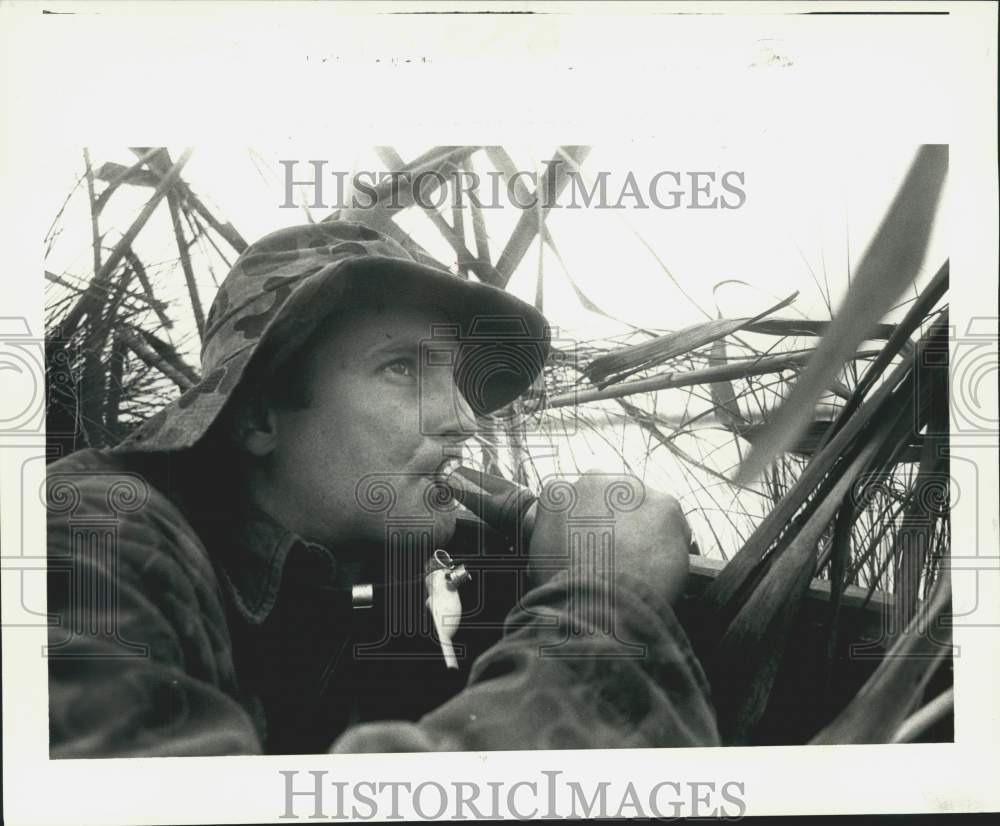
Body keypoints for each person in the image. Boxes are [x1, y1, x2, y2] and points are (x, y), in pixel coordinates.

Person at [46, 221, 719, 756]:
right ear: (256, 416)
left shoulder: (378, 552)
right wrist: (605, 606)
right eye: (401, 369)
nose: (461, 418)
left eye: (457, 380)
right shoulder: (93, 541)